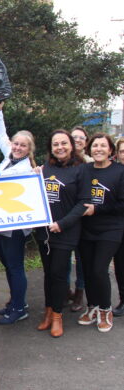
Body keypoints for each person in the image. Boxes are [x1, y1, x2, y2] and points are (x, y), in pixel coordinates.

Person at [35, 129, 88, 338]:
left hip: (66, 231)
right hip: (44, 232)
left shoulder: (81, 169)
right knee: (48, 274)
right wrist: (34, 178)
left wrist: (62, 224)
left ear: (71, 145)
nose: (60, 147)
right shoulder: (44, 168)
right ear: (51, 148)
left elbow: (83, 203)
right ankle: (48, 312)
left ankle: (57, 315)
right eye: (56, 144)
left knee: (58, 273)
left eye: (64, 143)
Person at [0, 102, 36, 324]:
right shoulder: (9, 157)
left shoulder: (27, 170)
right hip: (3, 224)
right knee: (9, 265)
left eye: (22, 146)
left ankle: (19, 308)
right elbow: (1, 135)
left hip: (16, 227)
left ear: (29, 150)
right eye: (15, 143)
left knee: (15, 266)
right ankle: (16, 301)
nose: (17, 147)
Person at [77, 133, 124, 332]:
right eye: (95, 146)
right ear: (90, 149)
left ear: (110, 150)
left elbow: (122, 204)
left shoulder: (120, 171)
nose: (98, 149)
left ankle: (105, 309)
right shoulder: (83, 169)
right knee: (88, 270)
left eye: (103, 146)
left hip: (111, 229)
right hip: (86, 228)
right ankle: (92, 307)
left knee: (98, 269)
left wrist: (97, 209)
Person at [69, 125, 91, 311]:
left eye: (81, 138)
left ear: (86, 142)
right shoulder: (61, 160)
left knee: (82, 259)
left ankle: (79, 293)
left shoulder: (91, 163)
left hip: (85, 219)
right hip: (66, 218)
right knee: (64, 259)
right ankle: (65, 291)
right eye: (74, 137)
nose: (77, 140)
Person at [112, 137, 124, 317]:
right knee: (121, 265)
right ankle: (123, 300)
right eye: (122, 151)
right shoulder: (116, 172)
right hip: (119, 225)